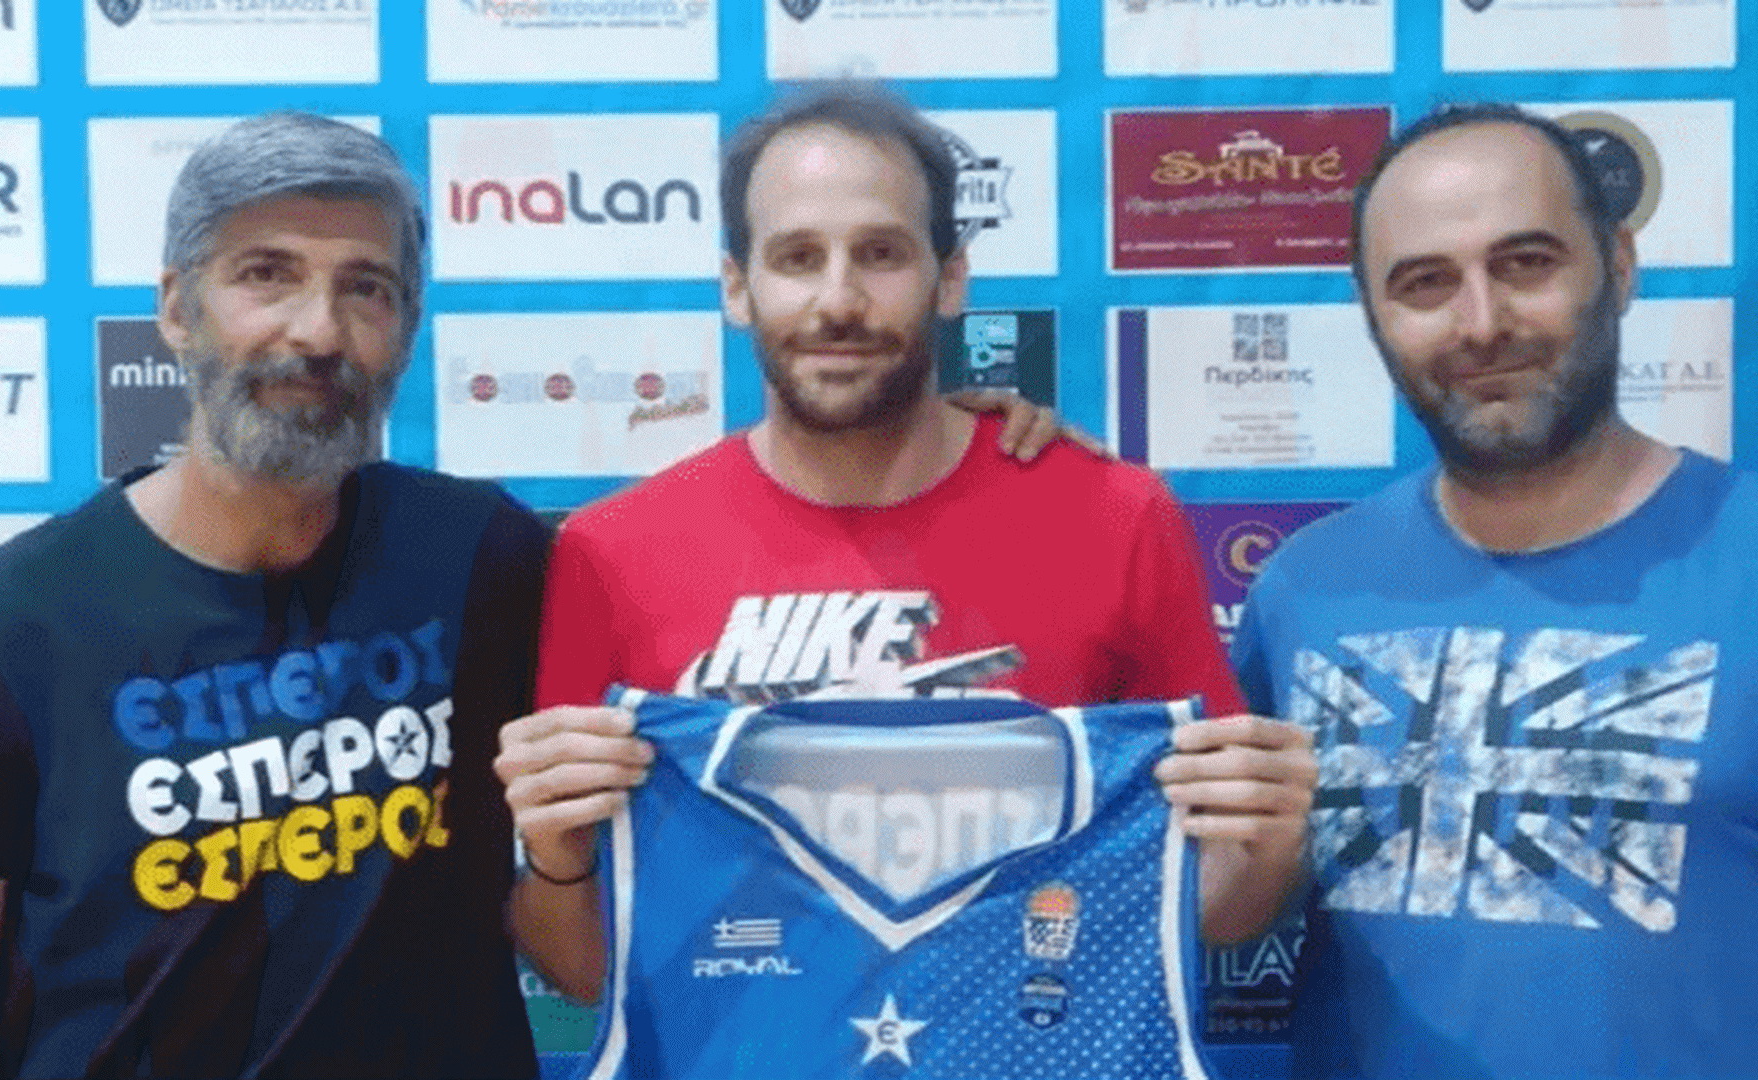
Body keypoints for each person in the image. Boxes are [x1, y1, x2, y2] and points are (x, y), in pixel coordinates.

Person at [0, 108, 1077, 1080]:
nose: (317, 331)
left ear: (406, 329)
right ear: (175, 308)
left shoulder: (478, 555)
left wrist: (953, 441)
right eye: (265, 275)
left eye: (366, 289)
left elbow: (744, 563)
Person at [496, 81, 1316, 1015]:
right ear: (737, 287)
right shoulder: (610, 552)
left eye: (881, 253)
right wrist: (556, 863)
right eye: (797, 257)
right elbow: (584, 972)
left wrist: (1269, 851)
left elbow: (1210, 913)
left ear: (950, 277)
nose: (838, 300)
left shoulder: (1115, 516)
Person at [1231, 103, 1758, 1079]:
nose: (1483, 323)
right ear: (1372, 314)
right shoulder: (1302, 590)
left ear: (1618, 264)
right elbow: (1225, 902)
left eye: (1526, 263)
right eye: (1425, 283)